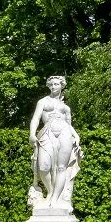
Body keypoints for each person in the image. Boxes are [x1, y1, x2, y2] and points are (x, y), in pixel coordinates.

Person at [28, 75, 83, 210]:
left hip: (64, 133)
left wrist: (76, 136)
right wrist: (32, 134)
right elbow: (35, 119)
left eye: (56, 84)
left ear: (62, 86)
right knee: (43, 167)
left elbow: (69, 125)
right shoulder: (43, 102)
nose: (53, 87)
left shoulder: (66, 108)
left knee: (61, 168)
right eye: (51, 84)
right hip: (47, 133)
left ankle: (55, 199)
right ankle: (51, 192)